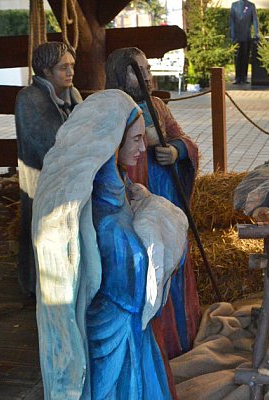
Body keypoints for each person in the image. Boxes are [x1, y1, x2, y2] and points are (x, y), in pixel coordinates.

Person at [32, 89, 188, 399]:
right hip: (113, 332)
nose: (144, 147)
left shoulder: (123, 188)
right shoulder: (95, 216)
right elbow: (128, 282)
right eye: (136, 139)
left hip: (131, 330)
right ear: (113, 142)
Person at [105, 48, 200, 359]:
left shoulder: (158, 106)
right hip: (136, 200)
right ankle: (157, 344)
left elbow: (184, 140)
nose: (147, 75)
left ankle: (181, 338)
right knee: (149, 265)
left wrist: (175, 151)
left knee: (174, 258)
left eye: (147, 68)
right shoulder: (114, 108)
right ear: (121, 75)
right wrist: (142, 140)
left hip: (166, 196)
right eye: (138, 71)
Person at [15, 42, 82, 295]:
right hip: (42, 181)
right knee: (41, 230)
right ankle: (37, 287)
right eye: (63, 67)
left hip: (70, 179)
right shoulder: (29, 98)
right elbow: (50, 143)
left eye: (72, 66)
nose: (70, 72)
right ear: (45, 71)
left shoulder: (73, 94)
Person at [230, 0, 259, 84]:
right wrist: (232, 35)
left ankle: (244, 77)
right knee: (237, 57)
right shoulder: (234, 5)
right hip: (236, 36)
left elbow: (255, 20)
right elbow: (232, 21)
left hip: (246, 35)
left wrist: (256, 33)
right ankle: (237, 77)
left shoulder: (251, 5)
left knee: (245, 57)